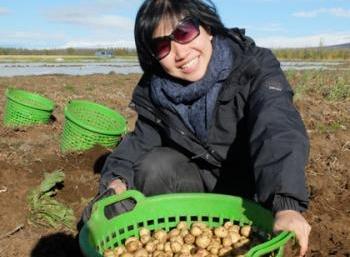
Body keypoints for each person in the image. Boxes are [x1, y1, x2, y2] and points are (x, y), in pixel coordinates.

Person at [87, 0, 311, 256]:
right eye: (162, 46)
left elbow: (276, 126)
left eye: (184, 32)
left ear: (208, 28)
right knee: (155, 165)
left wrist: (286, 204)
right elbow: (139, 143)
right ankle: (177, 223)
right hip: (195, 184)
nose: (180, 53)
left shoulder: (253, 66)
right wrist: (116, 183)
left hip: (250, 192)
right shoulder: (156, 91)